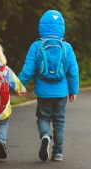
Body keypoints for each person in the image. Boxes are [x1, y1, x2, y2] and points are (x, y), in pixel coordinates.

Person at [18, 10, 79, 162]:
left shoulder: (36, 46)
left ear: (41, 27)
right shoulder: (67, 47)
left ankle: (45, 135)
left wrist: (18, 86)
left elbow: (28, 70)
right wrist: (73, 90)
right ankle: (57, 153)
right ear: (62, 27)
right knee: (59, 122)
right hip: (61, 92)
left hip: (43, 92)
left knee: (43, 117)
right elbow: (73, 72)